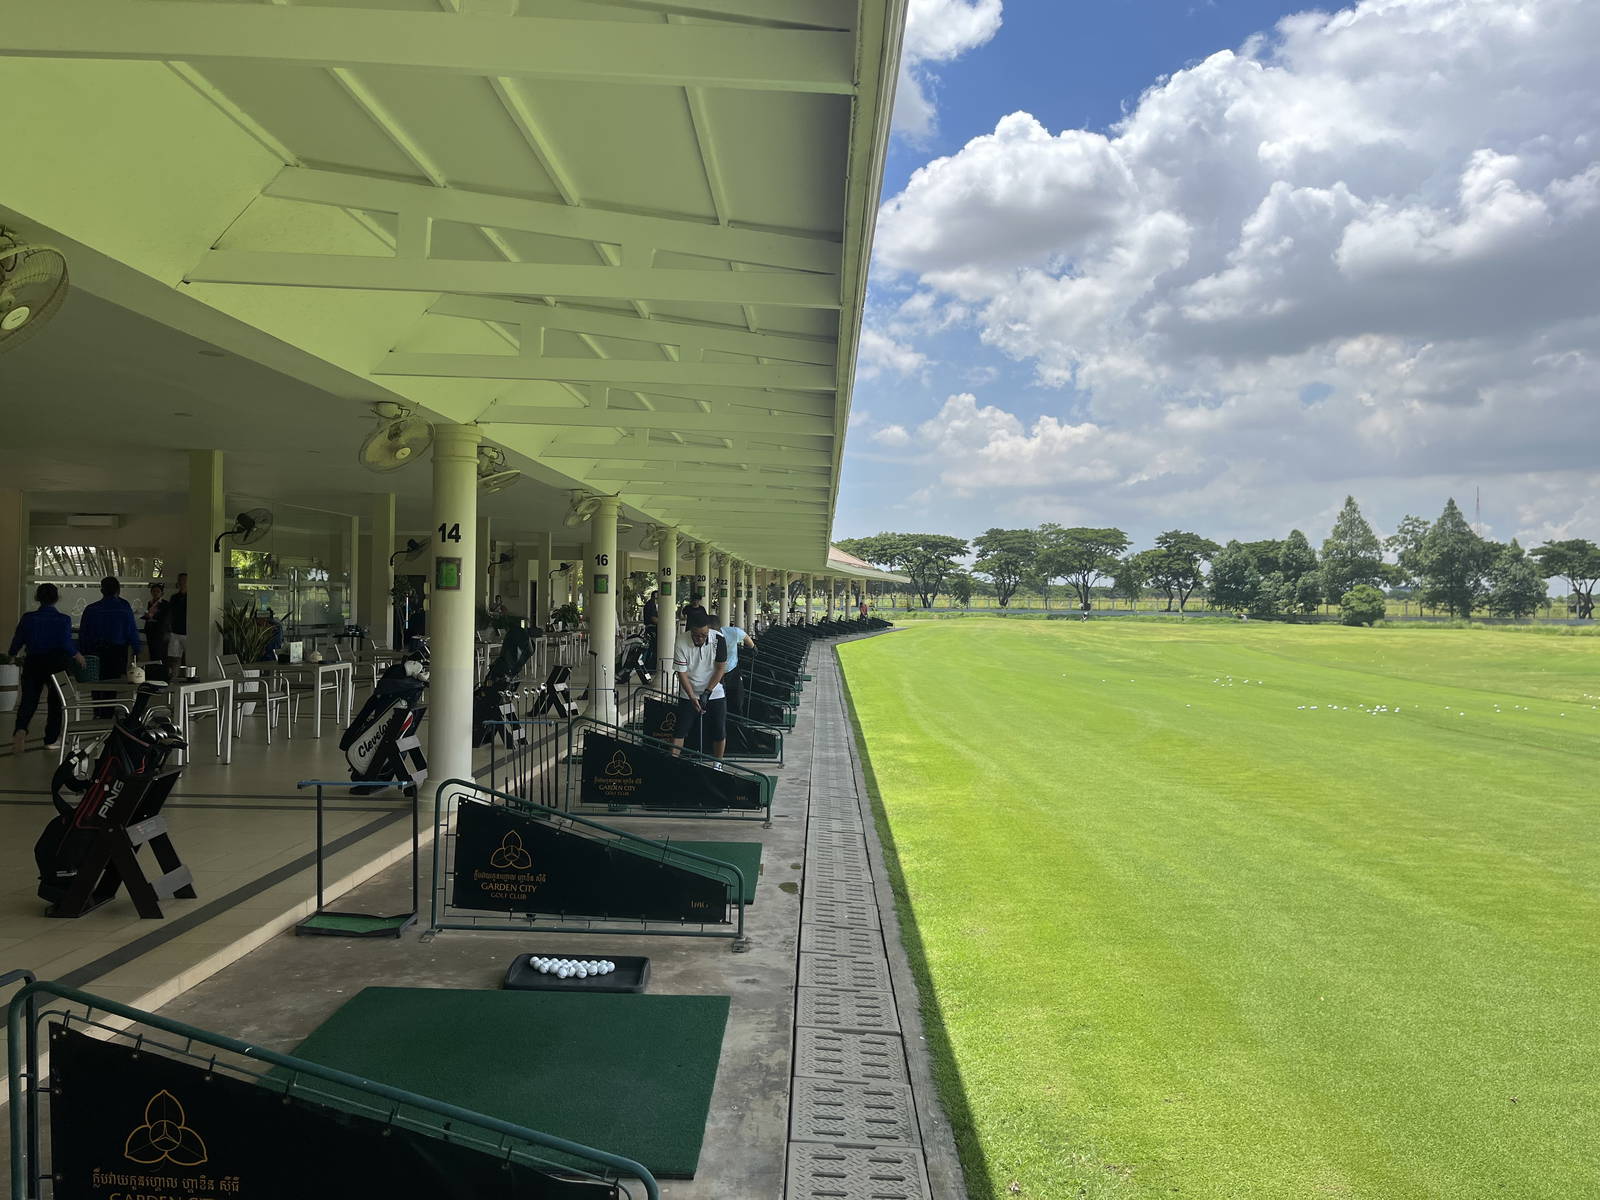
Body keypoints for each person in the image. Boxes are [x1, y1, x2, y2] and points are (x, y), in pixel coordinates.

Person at [9, 584, 88, 753]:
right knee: (55, 702)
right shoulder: (63, 619)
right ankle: (51, 740)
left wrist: (12, 654)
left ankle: (20, 730)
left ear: (37, 598)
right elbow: (65, 642)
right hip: (57, 663)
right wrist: (78, 655)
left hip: (33, 662)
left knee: (29, 700)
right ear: (56, 598)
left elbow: (18, 639)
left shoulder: (28, 618)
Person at [670, 610, 727, 761]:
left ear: (708, 629)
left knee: (719, 730)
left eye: (704, 635)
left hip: (715, 691)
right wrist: (692, 697)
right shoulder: (681, 641)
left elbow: (720, 668)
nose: (700, 638)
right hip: (688, 692)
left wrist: (707, 692)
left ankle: (718, 764)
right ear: (691, 631)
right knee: (680, 730)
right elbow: (682, 673)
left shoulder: (719, 639)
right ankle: (672, 762)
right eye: (696, 635)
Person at [80, 576, 142, 681]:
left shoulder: (91, 609)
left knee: (96, 680)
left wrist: (81, 652)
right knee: (114, 682)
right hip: (117, 651)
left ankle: (97, 697)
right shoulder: (124, 608)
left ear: (102, 590)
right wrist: (136, 648)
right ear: (118, 590)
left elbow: (83, 633)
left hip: (95, 650)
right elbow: (131, 630)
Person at [708, 616, 755, 718]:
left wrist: (753, 647)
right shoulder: (706, 638)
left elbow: (745, 636)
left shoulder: (732, 632)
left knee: (737, 698)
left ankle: (737, 721)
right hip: (714, 673)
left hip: (732, 670)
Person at [165, 573, 189, 674]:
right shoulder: (174, 598)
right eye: (180, 580)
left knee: (191, 659)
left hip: (188, 632)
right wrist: (168, 629)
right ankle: (173, 678)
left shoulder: (193, 598)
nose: (182, 582)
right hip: (175, 632)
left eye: (184, 580)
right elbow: (170, 614)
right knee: (174, 659)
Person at [143, 582, 170, 663]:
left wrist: (153, 617)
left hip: (160, 632)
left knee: (161, 653)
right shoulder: (150, 603)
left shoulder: (165, 604)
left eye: (157, 591)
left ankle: (161, 672)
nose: (155, 593)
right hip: (151, 631)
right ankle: (154, 671)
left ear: (162, 593)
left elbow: (166, 618)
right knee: (152, 653)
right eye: (153, 591)